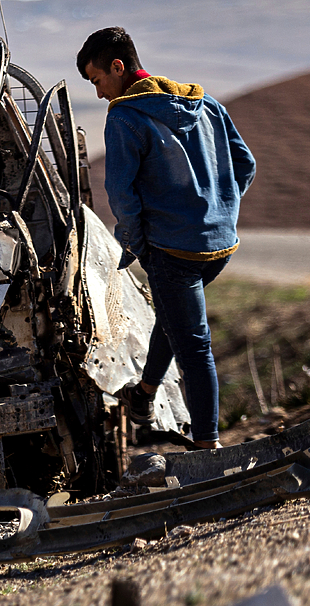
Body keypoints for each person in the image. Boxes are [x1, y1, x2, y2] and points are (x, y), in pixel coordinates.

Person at [76, 27, 256, 450]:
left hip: (171, 252)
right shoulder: (205, 103)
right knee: (177, 320)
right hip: (219, 247)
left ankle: (208, 446)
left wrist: (136, 243)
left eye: (98, 80)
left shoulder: (125, 116)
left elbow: (121, 194)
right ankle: (144, 395)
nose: (100, 94)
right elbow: (244, 164)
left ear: (118, 68)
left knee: (195, 348)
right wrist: (220, 211)